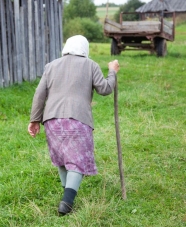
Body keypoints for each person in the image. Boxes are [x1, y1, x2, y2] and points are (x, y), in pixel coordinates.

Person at [27, 35, 120, 216]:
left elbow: (39, 94)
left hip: (52, 120)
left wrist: (34, 120)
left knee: (62, 158)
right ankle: (67, 202)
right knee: (76, 161)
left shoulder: (51, 66)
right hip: (78, 120)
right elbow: (105, 89)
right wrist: (112, 72)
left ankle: (66, 195)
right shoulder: (90, 65)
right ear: (85, 49)